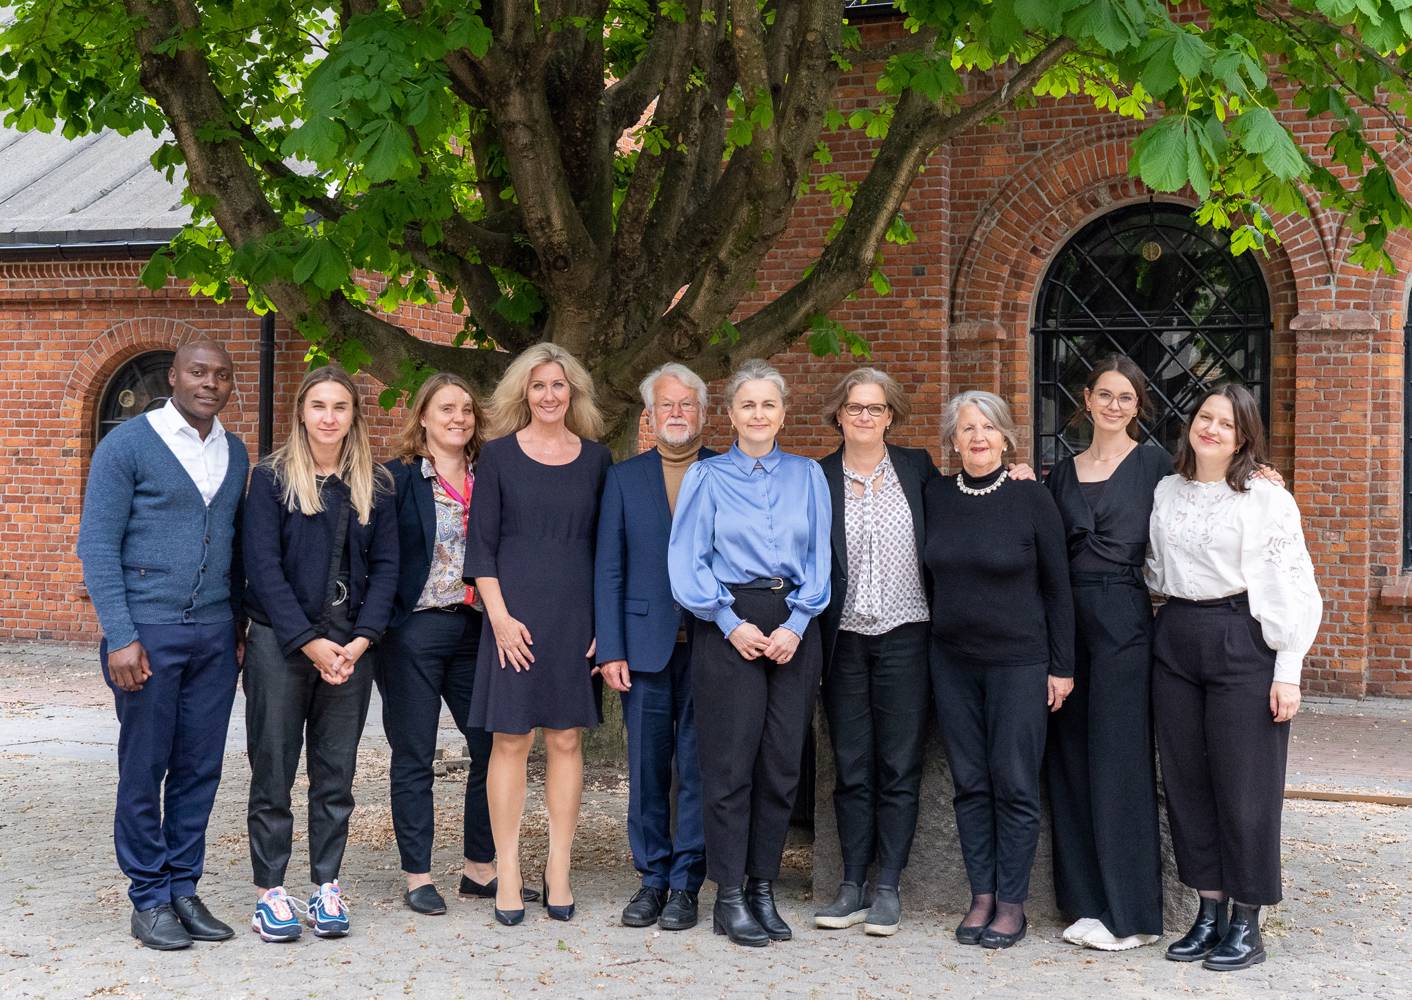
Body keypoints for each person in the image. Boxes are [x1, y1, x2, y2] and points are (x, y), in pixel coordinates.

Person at [77, 340, 248, 951]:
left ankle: (183, 886)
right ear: (173, 376)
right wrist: (120, 635)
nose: (210, 383)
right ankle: (147, 895)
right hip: (145, 634)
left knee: (200, 768)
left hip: (213, 635)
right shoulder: (127, 445)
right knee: (145, 765)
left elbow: (232, 548)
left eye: (221, 376)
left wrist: (236, 630)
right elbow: (96, 545)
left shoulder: (234, 450)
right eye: (198, 372)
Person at [1146, 384, 1321, 972]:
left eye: (1226, 422)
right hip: (1175, 633)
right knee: (1188, 783)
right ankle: (1208, 909)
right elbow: (1152, 567)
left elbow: (1293, 586)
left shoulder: (1266, 498)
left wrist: (1288, 669)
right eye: (1204, 417)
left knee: (1245, 790)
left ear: (1244, 436)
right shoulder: (1166, 491)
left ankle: (1248, 919)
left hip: (1240, 636)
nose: (1212, 429)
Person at [668, 359, 831, 948]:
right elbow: (688, 559)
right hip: (727, 622)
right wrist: (728, 621)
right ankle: (729, 894)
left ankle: (763, 886)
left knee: (782, 763)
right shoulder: (706, 477)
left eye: (768, 405)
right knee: (730, 766)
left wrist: (798, 621)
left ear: (783, 413)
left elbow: (819, 559)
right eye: (747, 405)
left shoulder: (808, 476)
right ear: (731, 414)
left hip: (793, 623)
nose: (758, 415)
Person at [241, 365, 398, 942]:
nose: (329, 417)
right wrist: (309, 643)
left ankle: (325, 885)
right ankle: (270, 892)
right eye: (318, 406)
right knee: (274, 770)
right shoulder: (272, 479)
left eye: (340, 407)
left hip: (351, 652)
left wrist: (358, 642)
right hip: (281, 648)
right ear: (301, 413)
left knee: (335, 774)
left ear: (353, 416)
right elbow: (262, 568)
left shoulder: (375, 484)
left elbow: (387, 571)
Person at [463, 343, 612, 926]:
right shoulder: (497, 457)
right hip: (512, 619)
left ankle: (558, 868)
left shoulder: (598, 459)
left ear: (573, 393)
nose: (549, 395)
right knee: (510, 742)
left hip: (576, 617)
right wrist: (498, 618)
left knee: (567, 740)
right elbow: (481, 547)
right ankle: (508, 871)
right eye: (538, 386)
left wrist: (605, 625)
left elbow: (608, 551)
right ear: (522, 393)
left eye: (559, 386)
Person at [924, 390, 1074, 950]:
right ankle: (980, 895)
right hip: (952, 661)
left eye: (988, 427)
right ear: (953, 439)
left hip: (1019, 662)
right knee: (970, 784)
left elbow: (1058, 590)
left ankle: (1011, 904)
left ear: (1007, 437)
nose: (978, 437)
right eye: (966, 429)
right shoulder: (935, 495)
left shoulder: (1030, 498)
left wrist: (1062, 666)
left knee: (1013, 784)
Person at [379, 372, 522, 916]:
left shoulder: (494, 476)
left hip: (480, 629)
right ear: (423, 417)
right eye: (446, 409)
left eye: (466, 409)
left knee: (494, 744)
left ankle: (479, 869)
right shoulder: (396, 480)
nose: (458, 418)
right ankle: (417, 874)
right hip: (414, 630)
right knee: (413, 753)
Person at [1043, 357, 1169, 951]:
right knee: (1068, 761)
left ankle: (1132, 913)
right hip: (1067, 625)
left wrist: (1262, 477)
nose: (1114, 405)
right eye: (1105, 395)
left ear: (1137, 406)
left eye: (1127, 397)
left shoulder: (1156, 466)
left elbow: (1210, 494)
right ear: (1087, 400)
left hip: (1122, 622)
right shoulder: (1061, 474)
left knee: (1119, 761)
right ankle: (1086, 902)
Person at [813, 368, 936, 937]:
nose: (865, 416)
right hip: (844, 641)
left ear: (891, 416)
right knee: (852, 765)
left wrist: (1018, 473)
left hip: (907, 636)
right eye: (855, 408)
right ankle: (850, 884)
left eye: (876, 408)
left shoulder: (917, 470)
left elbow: (968, 505)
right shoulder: (817, 478)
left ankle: (888, 884)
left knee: (898, 766)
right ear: (838, 415)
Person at [595, 363, 714, 931]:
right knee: (646, 769)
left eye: (686, 404)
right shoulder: (624, 478)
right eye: (665, 405)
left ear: (703, 413)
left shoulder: (727, 472)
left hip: (714, 646)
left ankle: (688, 883)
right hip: (643, 647)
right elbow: (608, 571)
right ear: (649, 416)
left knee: (698, 766)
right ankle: (652, 879)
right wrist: (611, 649)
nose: (676, 413)